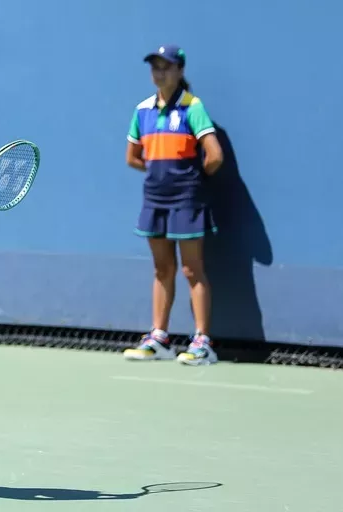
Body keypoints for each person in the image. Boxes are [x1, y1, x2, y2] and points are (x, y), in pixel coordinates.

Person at [122, 45, 224, 366]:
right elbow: (132, 157)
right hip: (155, 199)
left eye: (166, 67)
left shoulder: (193, 107)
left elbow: (215, 156)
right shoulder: (142, 110)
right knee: (162, 269)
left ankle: (202, 342)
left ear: (180, 71)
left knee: (192, 269)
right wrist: (160, 172)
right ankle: (159, 339)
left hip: (187, 200)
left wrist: (189, 179)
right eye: (155, 67)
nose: (159, 73)